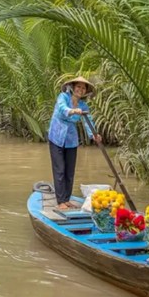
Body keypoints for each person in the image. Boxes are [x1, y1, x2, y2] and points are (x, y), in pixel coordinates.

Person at [47, 76, 102, 211]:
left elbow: (88, 121)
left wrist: (94, 135)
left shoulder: (83, 106)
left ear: (85, 92)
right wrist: (72, 111)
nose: (80, 90)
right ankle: (60, 201)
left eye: (83, 88)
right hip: (57, 137)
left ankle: (66, 198)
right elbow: (61, 108)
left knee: (69, 171)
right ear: (72, 87)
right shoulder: (63, 97)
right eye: (78, 87)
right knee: (59, 170)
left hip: (71, 139)